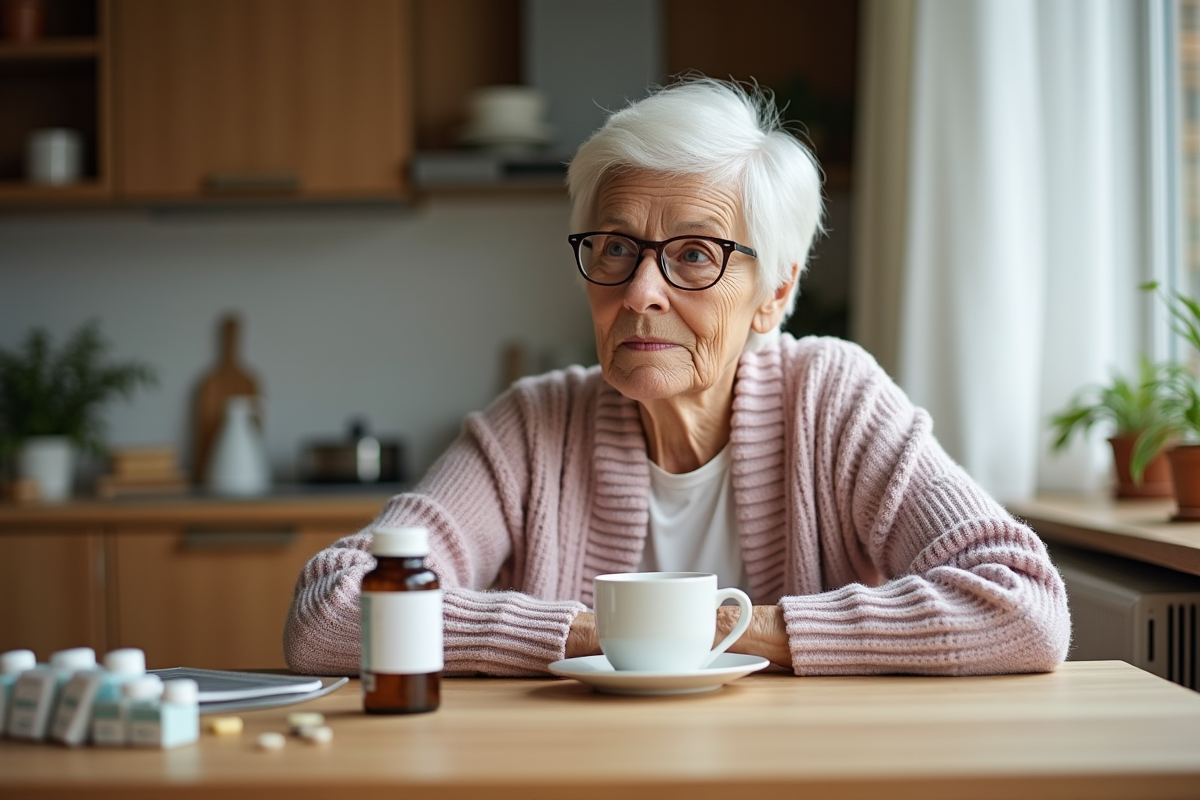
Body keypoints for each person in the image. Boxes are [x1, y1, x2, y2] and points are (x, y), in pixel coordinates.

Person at [285, 78, 1070, 677]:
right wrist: (602, 636)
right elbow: (330, 613)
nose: (639, 292)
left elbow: (1024, 606)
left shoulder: (833, 401)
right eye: (615, 248)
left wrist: (732, 631)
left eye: (696, 254)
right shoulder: (533, 427)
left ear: (776, 294)